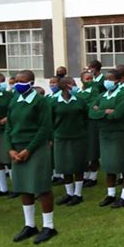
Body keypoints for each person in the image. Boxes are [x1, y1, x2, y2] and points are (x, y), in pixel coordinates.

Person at [5, 70, 57, 244]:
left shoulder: (40, 102)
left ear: (31, 83)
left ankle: (48, 226)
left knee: (41, 186)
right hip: (17, 148)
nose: (17, 84)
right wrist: (10, 149)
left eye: (22, 81)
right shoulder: (15, 100)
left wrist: (29, 149)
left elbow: (45, 128)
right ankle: (29, 225)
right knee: (23, 187)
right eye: (16, 81)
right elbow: (9, 127)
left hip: (36, 148)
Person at [89, 69, 124, 208]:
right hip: (104, 134)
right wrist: (106, 112)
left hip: (118, 134)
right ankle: (111, 194)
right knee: (108, 165)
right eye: (105, 79)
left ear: (118, 80)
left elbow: (118, 114)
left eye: (110, 79)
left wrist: (99, 112)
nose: (106, 81)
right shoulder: (102, 95)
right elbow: (91, 112)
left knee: (122, 164)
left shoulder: (122, 95)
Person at [52, 77, 88, 206]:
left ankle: (78, 194)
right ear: (67, 86)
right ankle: (69, 193)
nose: (75, 86)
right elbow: (50, 121)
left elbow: (85, 117)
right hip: (61, 138)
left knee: (78, 165)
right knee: (64, 166)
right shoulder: (54, 102)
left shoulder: (80, 101)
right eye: (73, 84)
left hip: (78, 137)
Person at [79, 70, 101, 187]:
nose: (90, 81)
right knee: (83, 149)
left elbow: (93, 105)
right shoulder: (78, 91)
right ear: (81, 80)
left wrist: (81, 107)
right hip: (80, 123)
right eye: (87, 79)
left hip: (91, 122)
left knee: (92, 148)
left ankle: (93, 176)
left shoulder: (94, 90)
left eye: (91, 78)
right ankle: (85, 174)